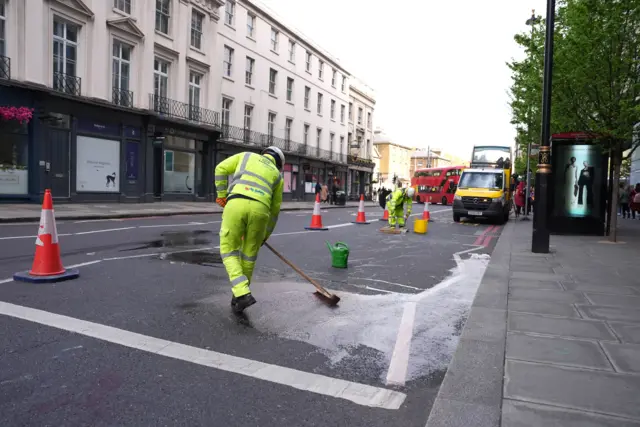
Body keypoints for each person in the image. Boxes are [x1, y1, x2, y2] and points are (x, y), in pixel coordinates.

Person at [214, 146, 285, 314]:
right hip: (261, 211)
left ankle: (241, 291)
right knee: (248, 256)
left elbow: (220, 168)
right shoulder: (277, 176)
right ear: (278, 163)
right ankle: (238, 297)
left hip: (236, 203)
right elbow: (275, 211)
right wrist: (265, 235)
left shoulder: (246, 156)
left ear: (265, 153)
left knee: (229, 250)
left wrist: (222, 194)